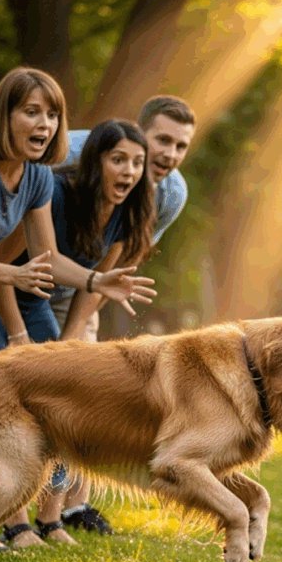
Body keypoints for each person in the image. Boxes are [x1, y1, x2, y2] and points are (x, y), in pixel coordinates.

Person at [0, 67, 154, 559]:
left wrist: (94, 280)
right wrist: (11, 277)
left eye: (53, 114)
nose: (44, 123)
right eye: (32, 111)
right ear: (6, 115)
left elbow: (47, 256)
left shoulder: (37, 176)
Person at [0, 119, 156, 546]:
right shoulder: (59, 195)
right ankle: (14, 522)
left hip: (37, 301)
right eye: (117, 159)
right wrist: (16, 338)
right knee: (13, 409)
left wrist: (70, 344)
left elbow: (96, 284)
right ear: (95, 162)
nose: (128, 171)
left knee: (67, 403)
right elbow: (1, 267)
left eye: (137, 163)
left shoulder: (128, 213)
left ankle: (50, 519)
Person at [58, 95, 195, 535]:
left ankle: (71, 508)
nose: (170, 155)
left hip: (91, 281)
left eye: (181, 146)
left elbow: (120, 263)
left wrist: (75, 332)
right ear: (138, 133)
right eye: (163, 140)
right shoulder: (71, 152)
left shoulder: (171, 194)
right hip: (32, 268)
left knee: (86, 383)